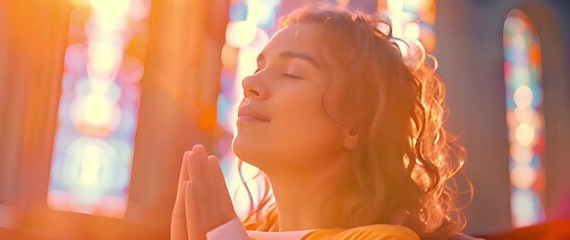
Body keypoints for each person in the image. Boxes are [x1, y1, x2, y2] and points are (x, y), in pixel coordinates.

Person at [172, 5, 470, 240]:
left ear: (356, 123)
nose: (250, 82)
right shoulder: (232, 228)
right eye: (258, 67)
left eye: (291, 72)